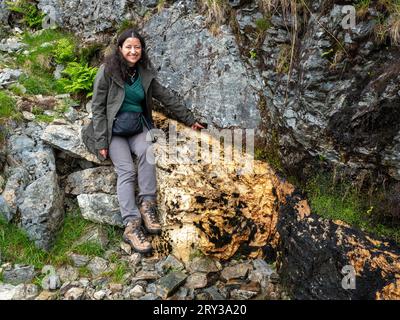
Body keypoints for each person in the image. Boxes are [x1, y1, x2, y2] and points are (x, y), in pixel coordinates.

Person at [82, 28, 204, 253]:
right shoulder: (107, 71)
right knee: (126, 170)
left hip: (137, 126)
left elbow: (165, 96)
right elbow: (98, 108)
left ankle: (148, 205)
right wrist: (101, 142)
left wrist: (189, 119)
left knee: (148, 153)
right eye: (128, 46)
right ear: (120, 49)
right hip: (113, 132)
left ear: (142, 50)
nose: (133, 51)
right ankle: (131, 224)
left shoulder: (144, 73)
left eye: (137, 47)